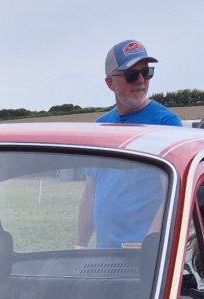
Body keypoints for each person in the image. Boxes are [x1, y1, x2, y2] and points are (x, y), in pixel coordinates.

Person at [77, 40, 181, 249]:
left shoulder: (166, 125)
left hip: (145, 257)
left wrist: (149, 246)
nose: (141, 81)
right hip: (104, 255)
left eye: (146, 72)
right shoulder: (99, 128)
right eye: (132, 75)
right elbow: (90, 195)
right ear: (110, 83)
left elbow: (172, 194)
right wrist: (79, 246)